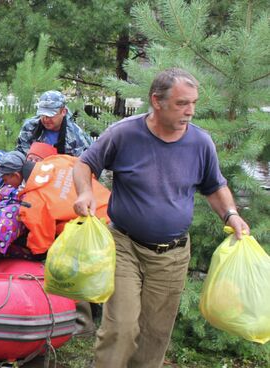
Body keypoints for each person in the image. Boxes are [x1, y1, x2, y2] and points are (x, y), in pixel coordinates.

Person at [72, 68, 250, 368]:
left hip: (173, 256)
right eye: (182, 103)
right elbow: (84, 164)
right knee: (122, 328)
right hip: (124, 245)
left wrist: (231, 214)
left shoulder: (200, 143)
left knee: (155, 336)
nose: (190, 111)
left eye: (193, 103)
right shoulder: (124, 134)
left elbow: (215, 186)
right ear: (157, 100)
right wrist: (84, 193)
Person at [0, 90, 92, 178]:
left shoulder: (76, 136)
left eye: (50, 115)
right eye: (42, 114)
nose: (45, 119)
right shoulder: (31, 126)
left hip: (63, 182)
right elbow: (21, 153)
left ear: (63, 112)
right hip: (32, 178)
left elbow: (84, 168)